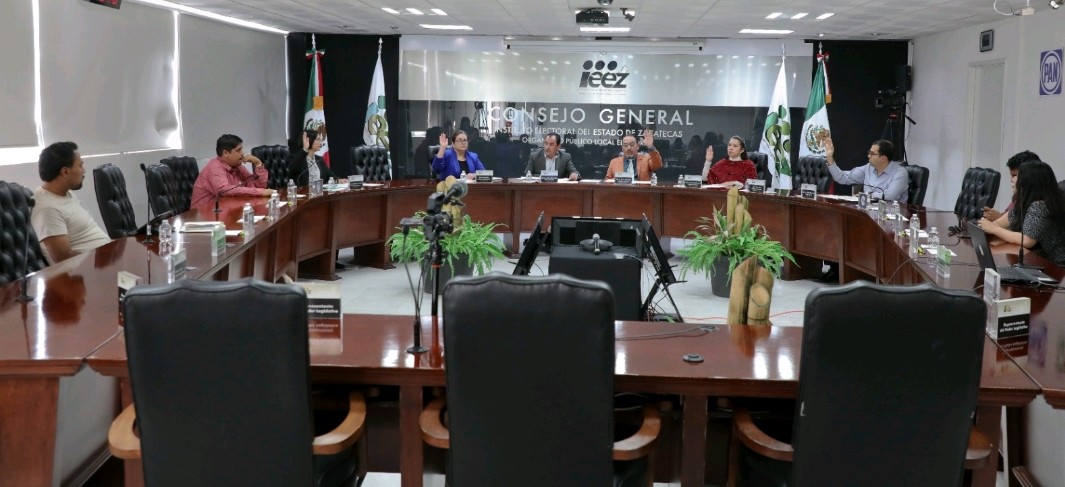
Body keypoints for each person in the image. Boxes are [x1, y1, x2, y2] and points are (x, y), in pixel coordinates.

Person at [30, 142, 112, 264]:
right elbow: (64, 258)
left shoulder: (64, 193)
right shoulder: (47, 208)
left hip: (105, 260)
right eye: (80, 166)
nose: (84, 171)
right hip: (89, 269)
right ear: (65, 172)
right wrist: (102, 257)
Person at [978, 160, 1065, 266]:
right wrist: (988, 227)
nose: (1013, 179)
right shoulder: (1024, 203)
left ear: (1029, 182)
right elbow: (1000, 223)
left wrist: (993, 229)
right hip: (1040, 260)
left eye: (1018, 176)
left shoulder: (1040, 205)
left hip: (1057, 266)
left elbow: (1027, 240)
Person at [190, 134, 271, 208]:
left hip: (226, 210)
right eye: (238, 150)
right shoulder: (214, 167)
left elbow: (258, 187)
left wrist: (258, 163)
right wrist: (261, 192)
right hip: (204, 214)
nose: (243, 153)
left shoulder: (237, 166)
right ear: (225, 153)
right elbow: (225, 191)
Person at [824, 137, 908, 203]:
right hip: (867, 211)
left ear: (883, 158)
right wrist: (829, 157)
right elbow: (842, 178)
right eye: (869, 153)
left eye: (872, 154)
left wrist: (867, 195)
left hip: (892, 215)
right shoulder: (868, 168)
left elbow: (890, 196)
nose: (868, 156)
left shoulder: (900, 173)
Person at [982, 150, 1041, 221]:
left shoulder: (1037, 204)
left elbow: (1019, 226)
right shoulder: (1018, 196)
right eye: (1012, 176)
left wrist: (998, 218)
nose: (1012, 180)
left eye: (1015, 175)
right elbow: (1008, 217)